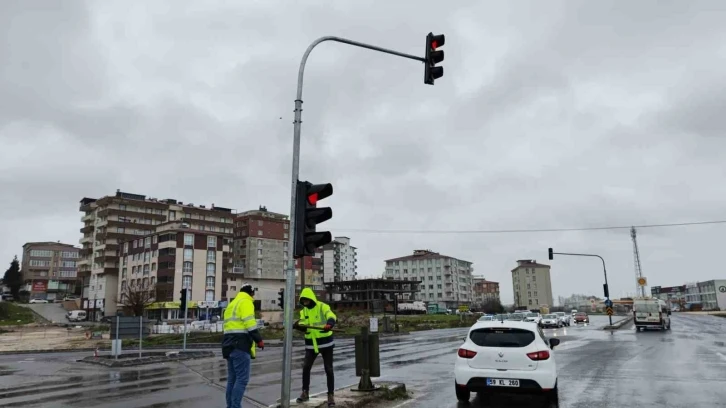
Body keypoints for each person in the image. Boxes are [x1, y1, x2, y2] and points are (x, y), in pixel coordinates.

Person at [222, 283, 264, 408]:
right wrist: (259, 339)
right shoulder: (246, 302)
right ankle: (235, 406)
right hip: (240, 344)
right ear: (251, 293)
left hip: (228, 344)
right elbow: (250, 323)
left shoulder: (232, 304)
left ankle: (230, 406)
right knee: (242, 379)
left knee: (232, 379)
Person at [294, 288, 337, 407]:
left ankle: (330, 395)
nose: (305, 303)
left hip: (326, 343)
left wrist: (330, 323)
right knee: (306, 367)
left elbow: (331, 315)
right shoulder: (304, 311)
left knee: (329, 369)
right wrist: (299, 326)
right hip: (311, 344)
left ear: (311, 299)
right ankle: (305, 392)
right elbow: (304, 324)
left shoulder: (322, 306)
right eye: (303, 301)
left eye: (306, 300)